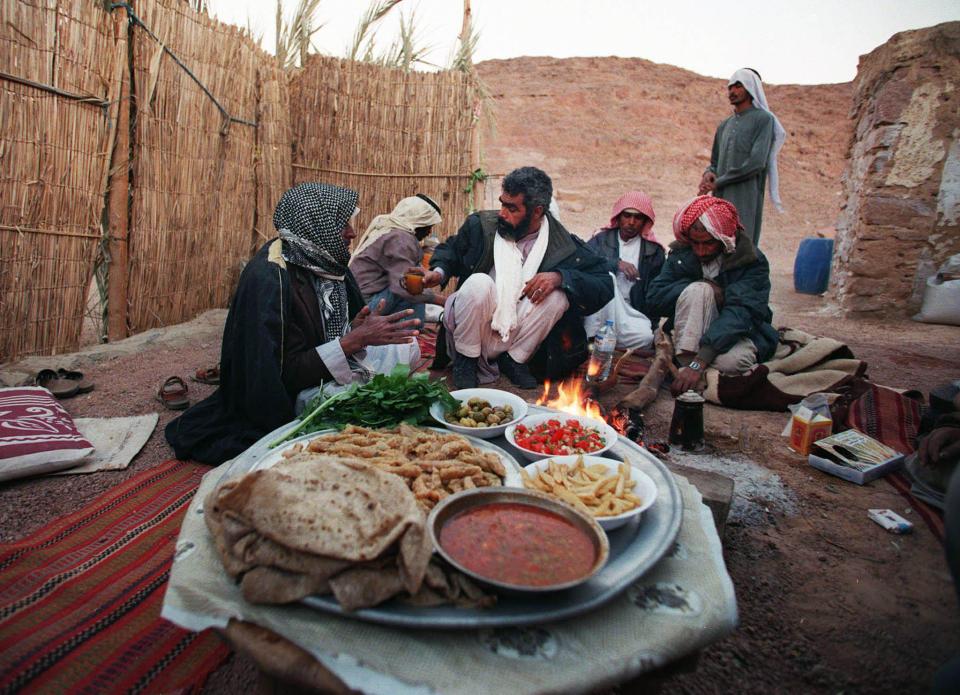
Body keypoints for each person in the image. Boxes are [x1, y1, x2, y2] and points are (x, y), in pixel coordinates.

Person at [165, 182, 422, 465]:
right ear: (313, 224)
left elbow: (325, 333)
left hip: (326, 366)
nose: (351, 233)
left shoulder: (328, 263)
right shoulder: (270, 279)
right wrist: (353, 341)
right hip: (290, 392)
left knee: (408, 347)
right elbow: (277, 375)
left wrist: (354, 327)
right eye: (342, 225)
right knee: (346, 409)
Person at [417, 166, 613, 389]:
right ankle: (466, 360)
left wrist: (560, 277)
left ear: (537, 211)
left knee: (558, 295)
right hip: (474, 326)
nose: (502, 213)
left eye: (512, 208)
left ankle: (513, 360)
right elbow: (451, 249)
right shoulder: (482, 226)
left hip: (517, 332)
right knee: (479, 283)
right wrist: (438, 272)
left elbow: (604, 283)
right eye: (502, 203)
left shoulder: (564, 245)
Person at [645, 195, 779, 396]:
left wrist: (700, 362)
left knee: (732, 363)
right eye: (695, 244)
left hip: (736, 331)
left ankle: (691, 369)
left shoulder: (750, 261)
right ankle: (689, 366)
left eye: (708, 244)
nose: (700, 251)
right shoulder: (682, 254)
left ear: (723, 238)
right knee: (700, 290)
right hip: (694, 327)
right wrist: (697, 286)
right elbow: (654, 299)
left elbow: (741, 313)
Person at [699, 68, 786, 247]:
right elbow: (715, 161)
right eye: (730, 87)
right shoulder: (724, 125)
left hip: (746, 195)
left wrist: (720, 181)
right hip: (720, 196)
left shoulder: (763, 120)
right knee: (717, 243)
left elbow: (756, 163)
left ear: (751, 88)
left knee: (741, 245)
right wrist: (709, 174)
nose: (732, 91)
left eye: (738, 86)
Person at [584, 191, 665, 349]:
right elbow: (583, 264)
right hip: (600, 309)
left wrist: (652, 324)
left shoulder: (653, 251)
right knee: (608, 279)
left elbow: (655, 293)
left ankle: (607, 346)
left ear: (645, 221)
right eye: (627, 216)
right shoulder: (601, 240)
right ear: (619, 216)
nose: (631, 222)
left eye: (638, 217)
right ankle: (594, 342)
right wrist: (616, 264)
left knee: (645, 338)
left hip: (631, 312)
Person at [348, 194, 445, 322]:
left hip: (355, 302)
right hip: (363, 307)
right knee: (410, 289)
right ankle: (406, 338)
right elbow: (403, 288)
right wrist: (443, 301)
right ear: (417, 223)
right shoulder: (401, 239)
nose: (428, 232)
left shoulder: (390, 230)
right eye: (428, 226)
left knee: (413, 281)